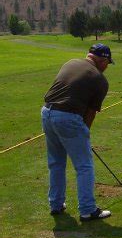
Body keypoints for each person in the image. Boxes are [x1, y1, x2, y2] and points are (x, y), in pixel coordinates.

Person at [41, 44, 114, 221]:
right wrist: (83, 134)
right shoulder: (100, 80)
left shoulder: (70, 62)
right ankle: (88, 210)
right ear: (101, 60)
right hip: (68, 117)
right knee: (84, 165)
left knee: (56, 162)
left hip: (46, 113)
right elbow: (90, 114)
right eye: (107, 63)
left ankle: (56, 204)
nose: (107, 67)